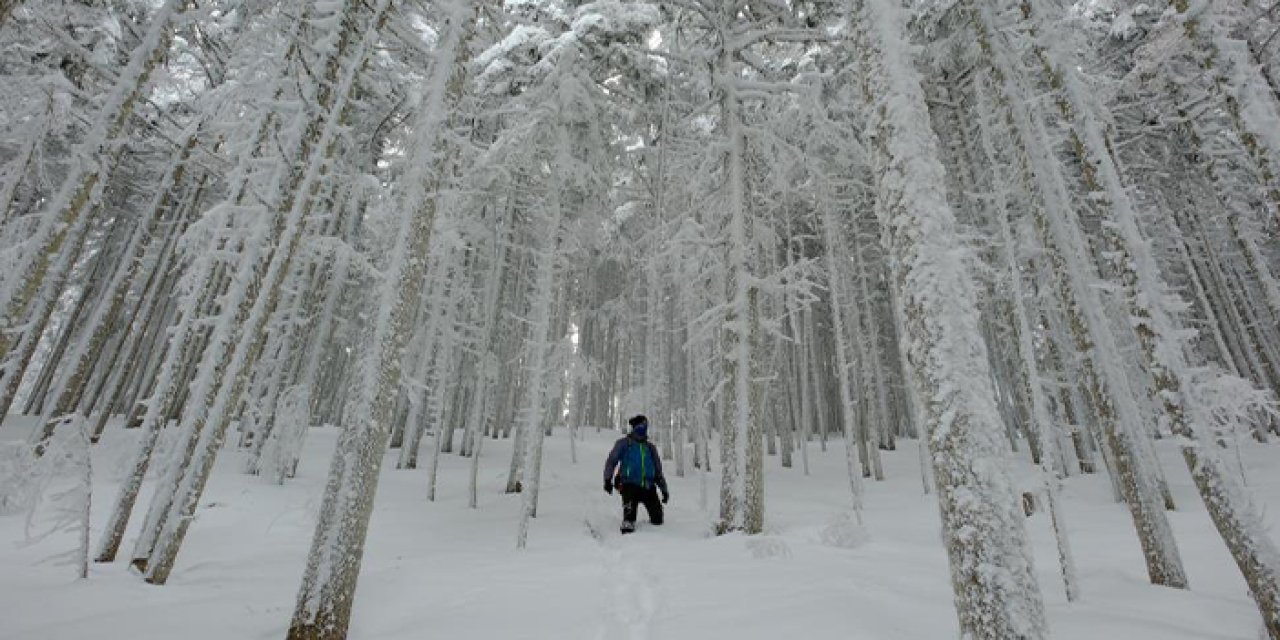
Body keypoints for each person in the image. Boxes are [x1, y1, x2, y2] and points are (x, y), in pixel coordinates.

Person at [603, 414, 669, 534]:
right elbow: (611, 461)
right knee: (629, 523)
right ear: (634, 427)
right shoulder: (624, 444)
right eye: (641, 426)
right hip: (629, 485)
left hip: (647, 486)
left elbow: (658, 471)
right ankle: (628, 519)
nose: (643, 429)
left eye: (645, 426)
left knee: (658, 520)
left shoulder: (650, 447)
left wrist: (664, 489)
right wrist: (608, 480)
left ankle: (654, 513)